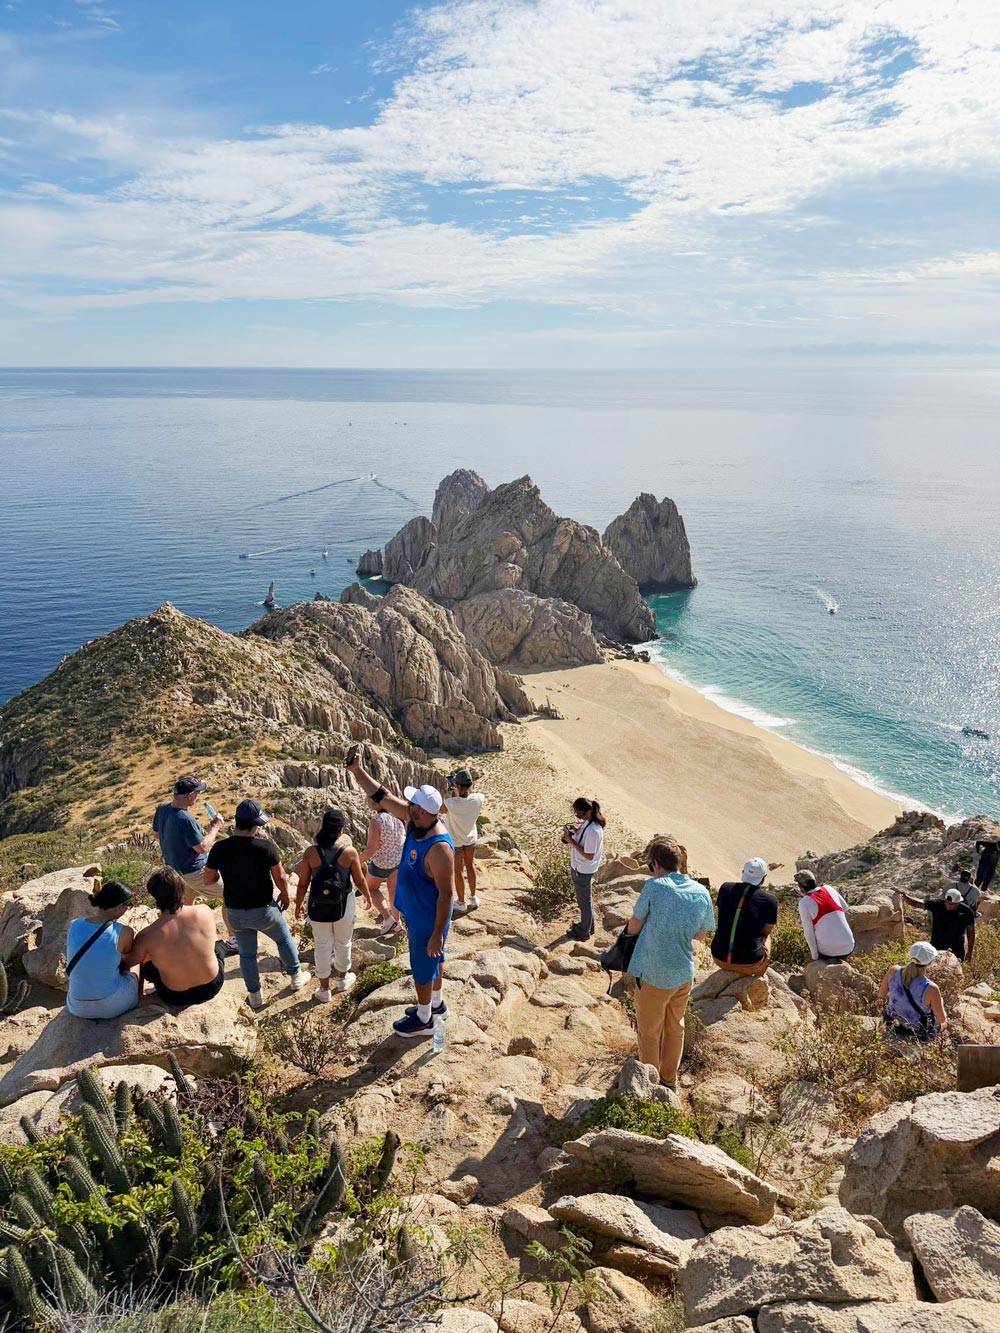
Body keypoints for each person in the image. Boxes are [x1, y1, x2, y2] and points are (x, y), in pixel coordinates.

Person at [346, 753, 454, 1039]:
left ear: (427, 813)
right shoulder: (417, 820)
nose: (408, 809)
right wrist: (358, 771)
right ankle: (436, 1004)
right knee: (435, 961)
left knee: (422, 966)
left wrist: (436, 934)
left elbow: (446, 896)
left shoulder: (440, 848)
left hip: (428, 918)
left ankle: (423, 1019)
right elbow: (382, 795)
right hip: (418, 911)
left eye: (414, 807)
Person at [624, 839, 715, 1090]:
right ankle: (668, 1080)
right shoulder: (701, 892)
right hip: (683, 972)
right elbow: (701, 935)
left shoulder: (654, 887)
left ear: (655, 864)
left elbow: (634, 925)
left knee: (649, 1032)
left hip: (653, 972)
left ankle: (649, 1085)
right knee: (676, 1027)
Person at [205, 798, 310, 1009]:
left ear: (237, 823)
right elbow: (280, 877)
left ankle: (255, 996)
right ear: (256, 825)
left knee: (247, 954)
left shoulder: (220, 848)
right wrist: (285, 894)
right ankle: (296, 976)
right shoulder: (265, 847)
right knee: (283, 938)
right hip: (264, 910)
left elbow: (208, 879)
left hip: (235, 912)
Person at [152, 776, 236, 953]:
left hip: (175, 871)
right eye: (197, 793)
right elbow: (202, 847)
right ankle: (234, 941)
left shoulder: (162, 809)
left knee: (185, 904)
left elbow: (156, 835)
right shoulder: (185, 819)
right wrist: (215, 827)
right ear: (190, 796)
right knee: (229, 894)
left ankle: (185, 939)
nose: (198, 796)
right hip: (195, 872)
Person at [125, 868, 227, 1008]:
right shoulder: (204, 911)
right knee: (217, 945)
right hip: (212, 986)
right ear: (182, 889)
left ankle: (140, 996)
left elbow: (128, 963)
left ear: (155, 897)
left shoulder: (146, 935)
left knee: (144, 961)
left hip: (174, 996)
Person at [295, 809, 368, 1002]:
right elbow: (359, 880)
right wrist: (368, 896)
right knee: (343, 942)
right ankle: (343, 979)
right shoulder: (350, 853)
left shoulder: (311, 853)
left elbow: (303, 882)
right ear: (340, 830)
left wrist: (298, 904)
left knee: (321, 944)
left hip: (318, 904)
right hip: (344, 903)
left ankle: (324, 989)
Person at [65, 881, 139, 1020]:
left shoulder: (74, 924)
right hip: (111, 1006)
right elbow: (128, 956)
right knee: (136, 962)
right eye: (127, 905)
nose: (127, 909)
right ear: (118, 907)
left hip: (76, 1006)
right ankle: (137, 998)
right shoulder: (124, 932)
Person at [711, 857, 777, 976]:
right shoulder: (770, 900)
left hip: (718, 957)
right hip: (751, 963)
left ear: (743, 873)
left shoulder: (725, 888)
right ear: (763, 878)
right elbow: (767, 931)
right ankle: (758, 977)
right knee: (768, 938)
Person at [880, 941, 947, 1039]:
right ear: (930, 962)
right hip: (916, 1032)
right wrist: (941, 1004)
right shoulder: (931, 988)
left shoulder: (893, 970)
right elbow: (941, 1019)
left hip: (891, 1023)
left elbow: (882, 994)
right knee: (945, 1023)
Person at [360, 798, 405, 937]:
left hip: (381, 862)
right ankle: (397, 922)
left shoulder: (376, 820)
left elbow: (370, 850)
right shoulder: (398, 818)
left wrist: (356, 861)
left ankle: (388, 918)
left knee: (370, 888)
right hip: (398, 860)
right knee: (393, 891)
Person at [562, 797, 605, 941]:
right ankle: (589, 926)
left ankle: (583, 931)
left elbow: (589, 855)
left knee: (584, 902)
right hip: (580, 867)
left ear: (587, 812)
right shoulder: (588, 822)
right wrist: (574, 830)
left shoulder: (593, 831)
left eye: (578, 813)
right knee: (586, 899)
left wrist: (572, 842)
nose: (577, 816)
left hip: (583, 869)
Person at [897, 886, 976, 964]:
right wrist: (905, 897)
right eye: (949, 903)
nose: (951, 906)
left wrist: (970, 952)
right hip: (936, 946)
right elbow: (917, 903)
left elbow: (971, 932)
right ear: (945, 900)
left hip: (956, 949)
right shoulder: (937, 905)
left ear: (958, 902)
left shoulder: (967, 911)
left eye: (954, 904)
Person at [443, 769, 485, 915]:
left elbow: (440, 809)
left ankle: (460, 902)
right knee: (470, 866)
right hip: (470, 839)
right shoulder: (478, 799)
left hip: (456, 842)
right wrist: (457, 795)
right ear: (470, 786)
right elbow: (469, 800)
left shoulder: (451, 804)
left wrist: (447, 792)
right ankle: (473, 897)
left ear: (456, 784)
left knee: (458, 870)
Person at [794, 869, 855, 962]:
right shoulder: (828, 888)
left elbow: (809, 933)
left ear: (801, 887)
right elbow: (845, 908)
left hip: (828, 951)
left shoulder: (804, 902)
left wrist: (815, 956)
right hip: (849, 946)